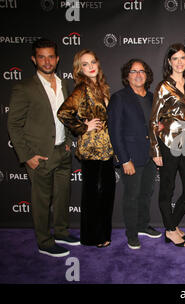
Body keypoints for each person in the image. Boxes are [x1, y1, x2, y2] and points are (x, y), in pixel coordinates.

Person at [7, 38, 79, 257]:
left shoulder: (64, 84)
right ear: (34, 59)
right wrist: (27, 155)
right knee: (41, 200)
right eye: (41, 57)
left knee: (62, 196)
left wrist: (68, 142)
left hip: (62, 151)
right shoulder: (24, 87)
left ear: (57, 59)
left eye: (50, 57)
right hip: (40, 154)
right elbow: (14, 124)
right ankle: (44, 241)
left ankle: (61, 232)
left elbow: (66, 116)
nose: (47, 61)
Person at [57, 49, 115, 248]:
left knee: (106, 193)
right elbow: (64, 113)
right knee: (93, 195)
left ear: (98, 64)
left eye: (92, 62)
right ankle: (92, 237)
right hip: (91, 149)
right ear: (79, 69)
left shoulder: (101, 87)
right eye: (85, 64)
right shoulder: (82, 88)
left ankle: (102, 233)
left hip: (106, 150)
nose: (90, 66)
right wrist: (83, 127)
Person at [107, 59, 162, 250]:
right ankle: (131, 234)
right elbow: (114, 132)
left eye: (142, 71)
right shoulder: (119, 98)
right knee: (132, 196)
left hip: (149, 156)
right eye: (133, 71)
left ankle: (142, 225)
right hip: (130, 157)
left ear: (147, 75)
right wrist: (124, 160)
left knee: (146, 193)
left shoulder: (152, 97)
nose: (138, 75)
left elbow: (154, 126)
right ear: (127, 76)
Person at [149, 43, 185, 248]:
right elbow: (154, 120)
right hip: (168, 144)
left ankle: (172, 225)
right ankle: (170, 230)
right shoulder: (163, 87)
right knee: (167, 190)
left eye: (183, 58)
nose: (179, 62)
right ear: (169, 62)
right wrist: (155, 149)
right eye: (175, 58)